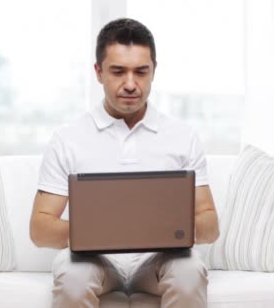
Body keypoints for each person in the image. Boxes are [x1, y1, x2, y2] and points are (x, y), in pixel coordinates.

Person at [29, 18, 219, 308]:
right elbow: (40, 229)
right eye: (118, 72)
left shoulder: (183, 137)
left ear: (154, 70)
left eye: (141, 72)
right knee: (73, 278)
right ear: (98, 72)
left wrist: (166, 227)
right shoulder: (68, 138)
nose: (130, 84)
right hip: (94, 260)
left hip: (158, 260)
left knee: (189, 271)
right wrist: (101, 229)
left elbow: (210, 225)